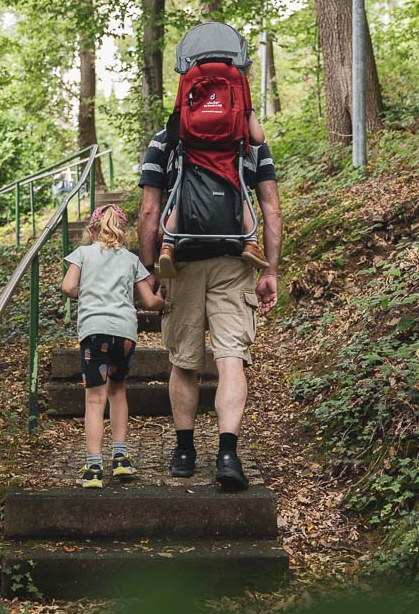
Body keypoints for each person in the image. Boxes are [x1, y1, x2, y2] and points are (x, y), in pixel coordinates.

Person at [138, 125, 282, 492]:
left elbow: (150, 210)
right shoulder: (251, 140)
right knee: (231, 359)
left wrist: (149, 269)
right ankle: (228, 455)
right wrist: (271, 270)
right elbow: (270, 207)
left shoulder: (166, 138)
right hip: (236, 258)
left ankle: (184, 451)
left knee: (184, 360)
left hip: (181, 258)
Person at [61, 205, 164, 488]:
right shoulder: (131, 260)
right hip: (124, 334)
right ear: (122, 231)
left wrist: (90, 292)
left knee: (95, 400)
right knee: (118, 391)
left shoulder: (82, 254)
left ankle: (94, 468)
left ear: (91, 230)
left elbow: (68, 287)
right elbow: (149, 302)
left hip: (94, 332)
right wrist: (165, 301)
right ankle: (121, 459)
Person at [157, 111, 269, 278]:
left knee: (181, 196)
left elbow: (174, 125)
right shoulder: (237, 91)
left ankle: (167, 246)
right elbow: (258, 138)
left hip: (192, 157)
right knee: (240, 194)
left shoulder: (190, 89)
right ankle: (251, 242)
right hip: (228, 159)